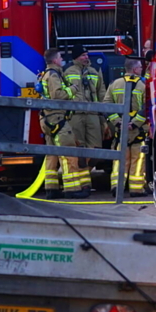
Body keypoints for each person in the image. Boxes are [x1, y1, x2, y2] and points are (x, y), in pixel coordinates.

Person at [38, 48, 89, 199]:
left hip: (48, 120)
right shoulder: (53, 75)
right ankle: (72, 189)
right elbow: (57, 95)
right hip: (57, 120)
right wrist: (72, 89)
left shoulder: (46, 74)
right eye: (60, 57)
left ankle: (51, 189)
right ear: (54, 60)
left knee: (52, 156)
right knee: (68, 154)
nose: (62, 60)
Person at [63, 45, 106, 192]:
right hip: (75, 115)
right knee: (79, 149)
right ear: (76, 57)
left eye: (87, 55)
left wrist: (104, 116)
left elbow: (102, 93)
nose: (86, 57)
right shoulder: (67, 72)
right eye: (83, 55)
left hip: (93, 114)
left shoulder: (95, 72)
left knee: (95, 149)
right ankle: (85, 183)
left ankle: (85, 177)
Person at [104, 58, 149, 197]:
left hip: (120, 130)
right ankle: (136, 189)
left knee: (120, 159)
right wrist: (135, 123)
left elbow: (107, 105)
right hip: (138, 130)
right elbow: (146, 108)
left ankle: (117, 187)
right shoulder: (143, 85)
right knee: (138, 159)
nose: (141, 69)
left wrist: (118, 123)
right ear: (135, 69)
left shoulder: (114, 84)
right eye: (140, 67)